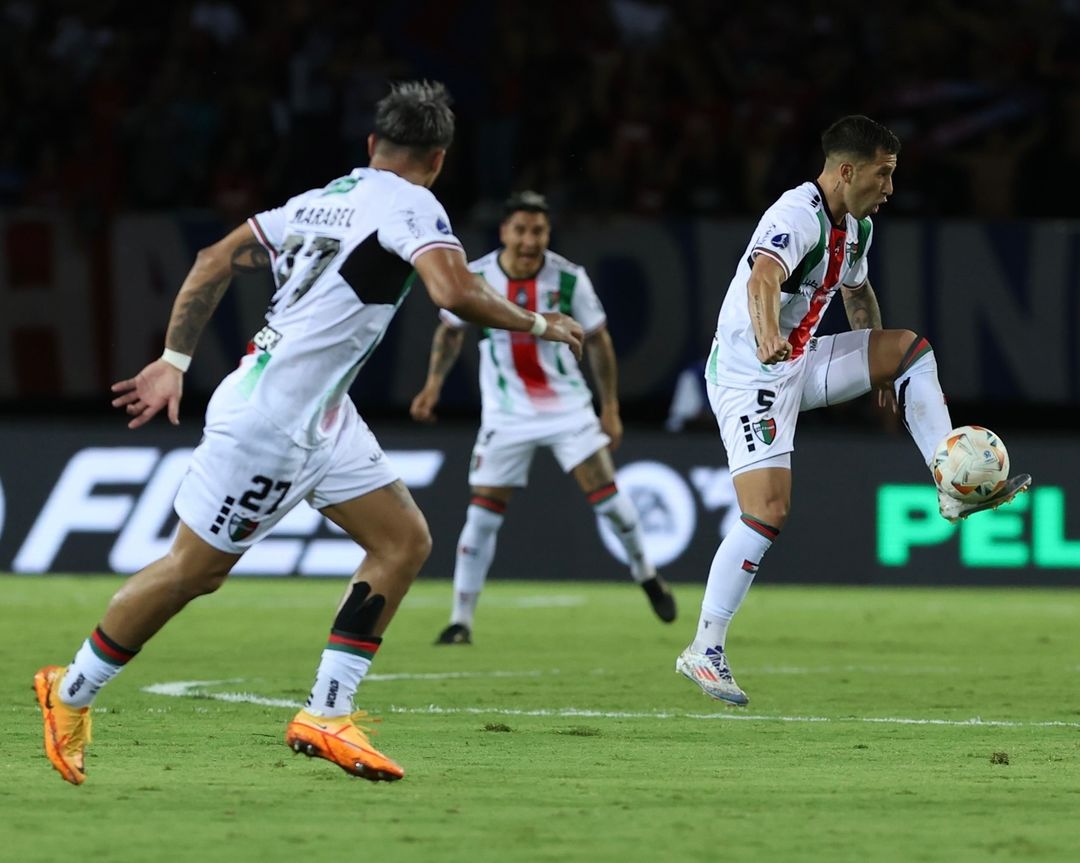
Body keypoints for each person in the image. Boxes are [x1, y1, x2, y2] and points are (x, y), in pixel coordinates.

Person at [33, 81, 584, 785]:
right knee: (193, 572)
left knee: (403, 540)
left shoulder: (319, 200)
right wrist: (540, 322)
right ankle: (70, 689)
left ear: (371, 146)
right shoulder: (413, 203)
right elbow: (452, 292)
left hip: (322, 413)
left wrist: (174, 362)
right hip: (272, 422)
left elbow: (211, 261)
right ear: (438, 159)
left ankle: (326, 711)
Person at [677, 115, 1032, 706]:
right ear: (847, 171)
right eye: (883, 173)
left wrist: (875, 359)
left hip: (800, 360)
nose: (891, 187)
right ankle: (704, 648)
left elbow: (856, 291)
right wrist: (767, 335)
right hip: (750, 374)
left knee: (910, 351)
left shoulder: (856, 228)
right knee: (767, 513)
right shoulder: (795, 214)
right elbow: (763, 276)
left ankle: (951, 483)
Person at [410, 190, 676, 645]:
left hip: (567, 408)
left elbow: (598, 341)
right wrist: (433, 385)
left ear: (547, 233)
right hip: (506, 413)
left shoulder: (570, 280)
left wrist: (609, 407)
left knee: (610, 501)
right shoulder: (474, 276)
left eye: (538, 230)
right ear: (504, 232)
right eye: (521, 230)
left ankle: (647, 574)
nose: (529, 240)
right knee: (482, 517)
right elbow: (451, 332)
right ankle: (460, 621)